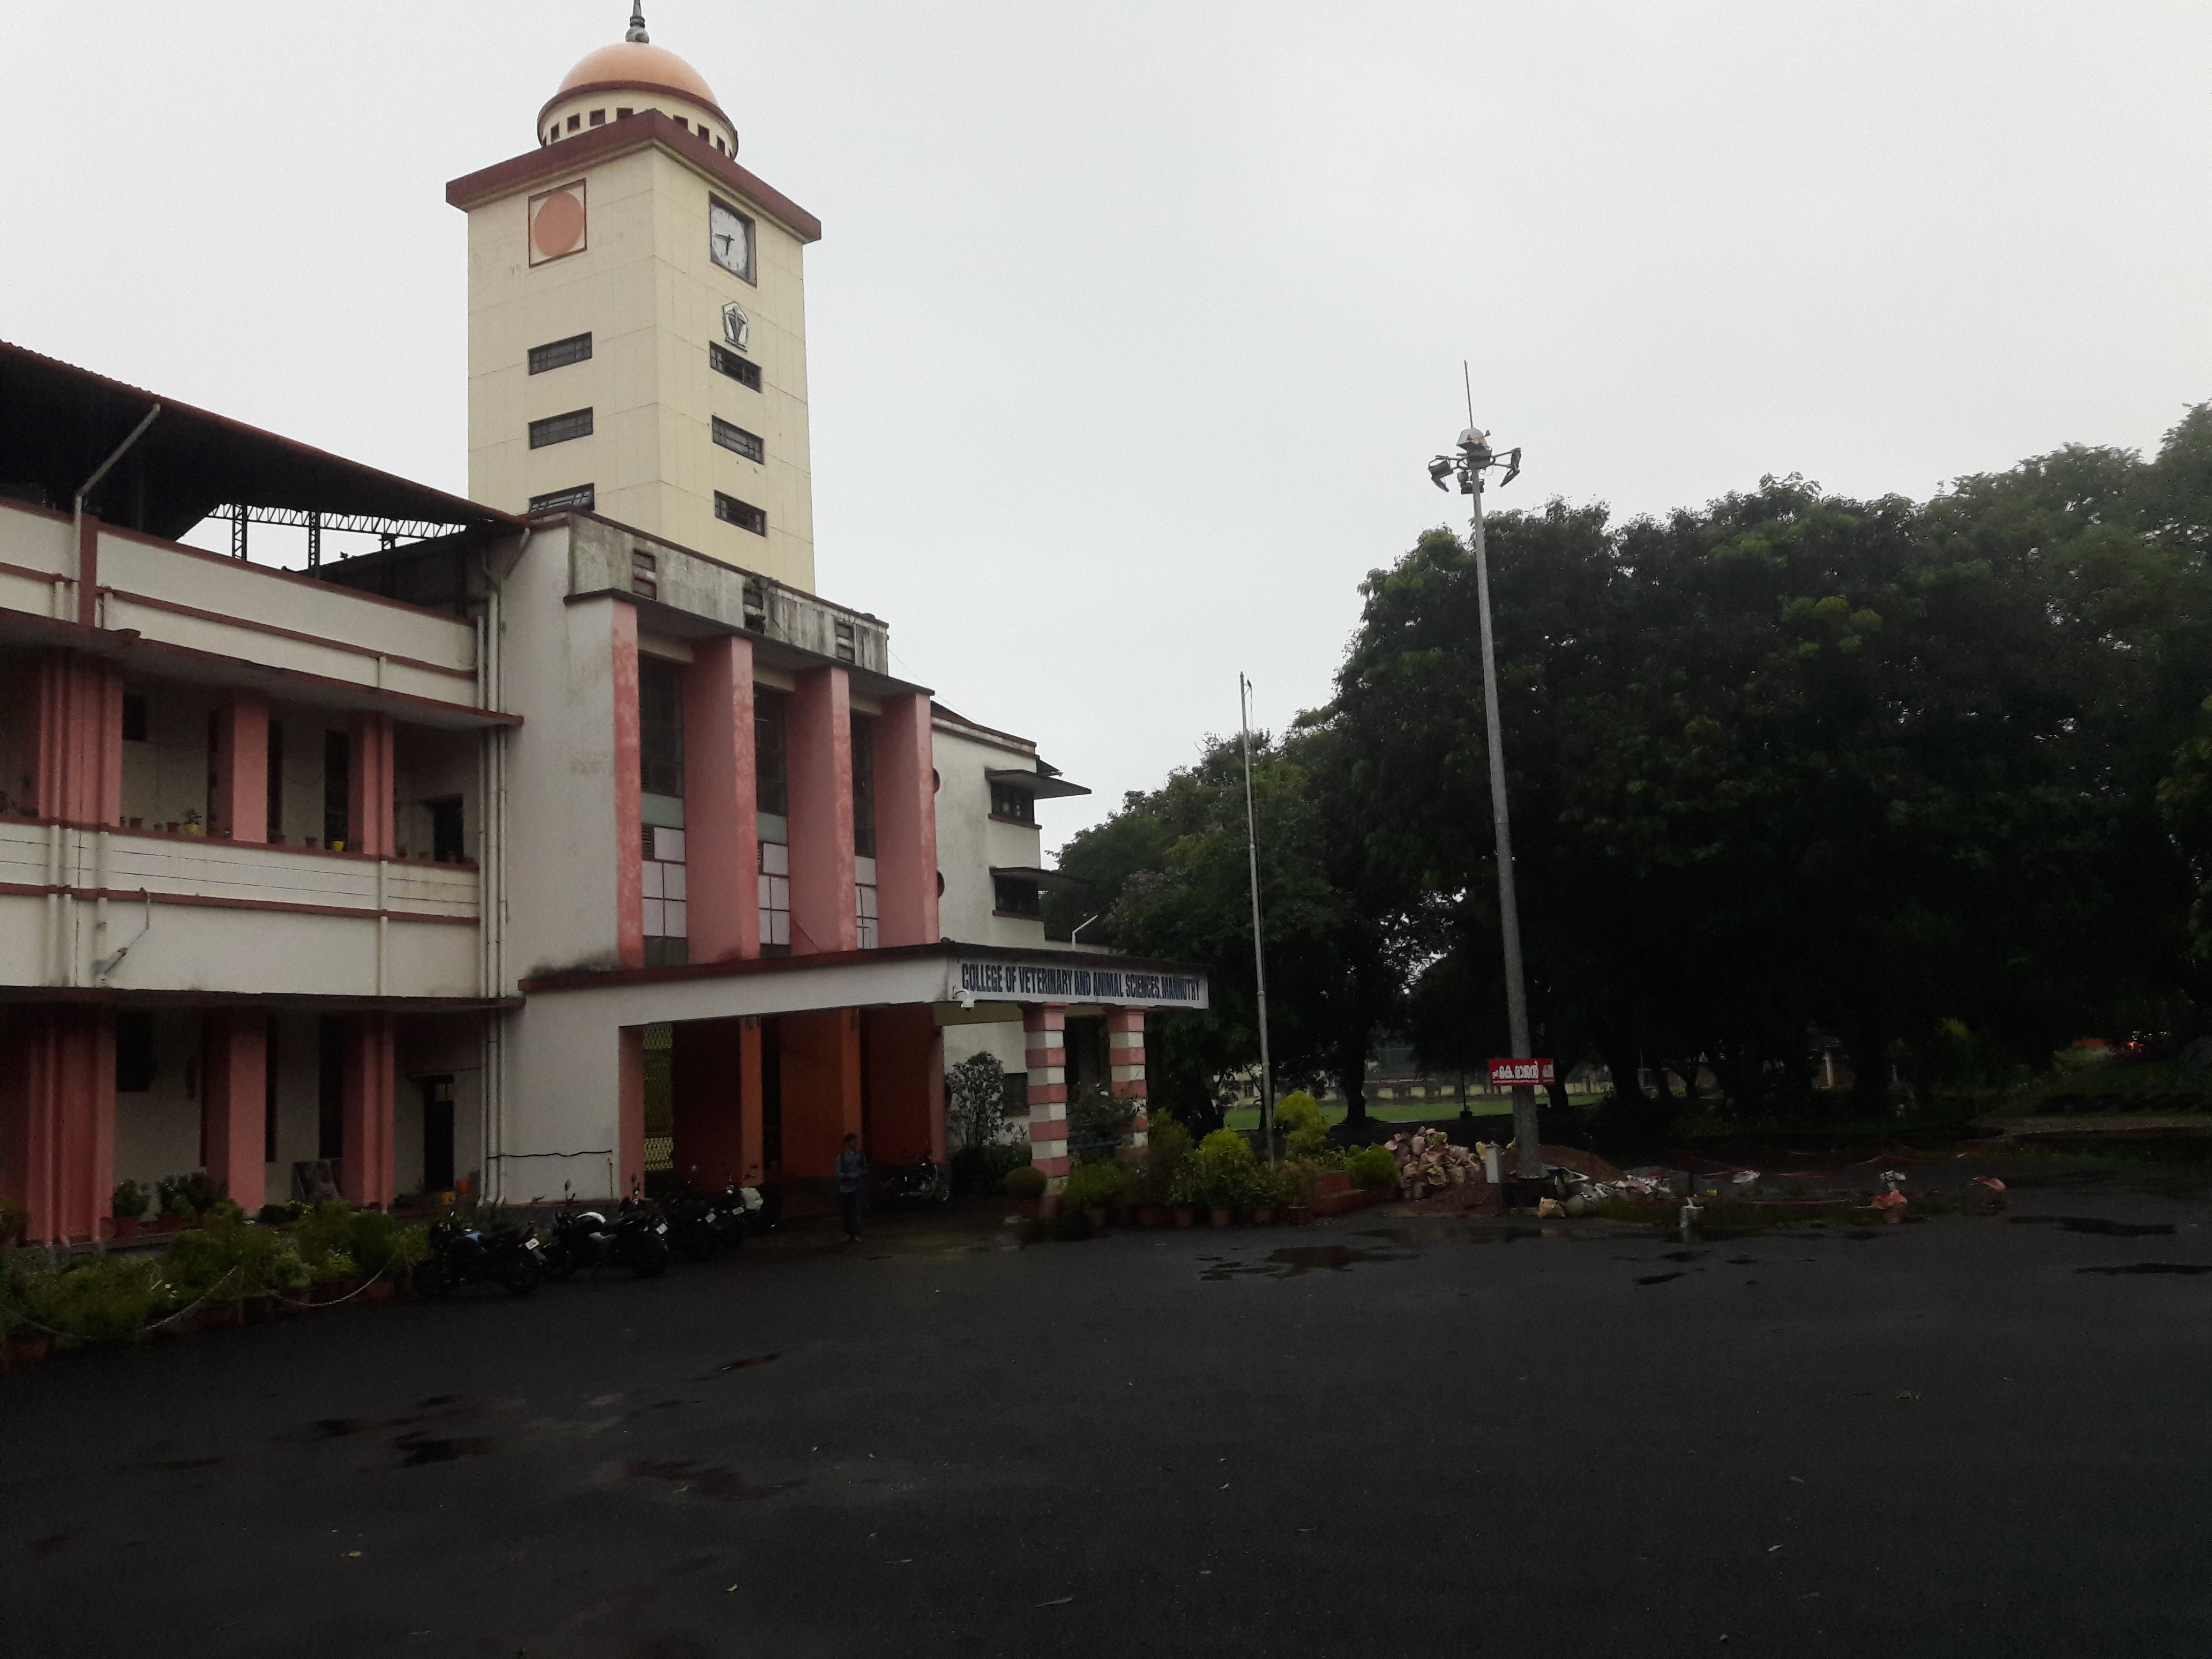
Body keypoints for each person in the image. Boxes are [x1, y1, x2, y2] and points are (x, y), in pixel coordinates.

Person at [835, 1133, 868, 1242]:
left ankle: (856, 1233)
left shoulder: (860, 1156)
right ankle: (849, 1233)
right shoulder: (843, 1157)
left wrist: (858, 1176)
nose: (855, 1143)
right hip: (846, 1188)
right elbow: (839, 1173)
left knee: (856, 1212)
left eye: (856, 1141)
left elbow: (865, 1170)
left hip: (857, 1187)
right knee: (847, 1212)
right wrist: (848, 1177)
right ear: (848, 1144)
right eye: (853, 1142)